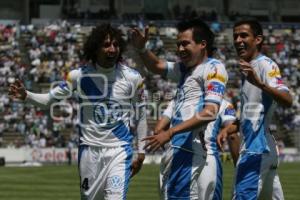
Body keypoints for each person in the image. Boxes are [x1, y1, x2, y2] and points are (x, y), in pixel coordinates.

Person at [9, 23, 147, 200]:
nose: (112, 49)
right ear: (94, 49)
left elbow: (141, 114)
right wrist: (26, 95)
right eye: (106, 45)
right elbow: (48, 101)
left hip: (119, 151)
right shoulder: (78, 76)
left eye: (115, 44)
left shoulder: (132, 78)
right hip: (89, 153)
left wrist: (141, 151)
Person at [131, 18, 228, 199]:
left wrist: (170, 132)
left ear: (202, 44)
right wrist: (142, 49)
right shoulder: (184, 70)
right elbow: (157, 66)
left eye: (185, 44)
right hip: (183, 151)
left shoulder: (213, 67)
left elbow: (211, 111)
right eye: (178, 44)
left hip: (190, 153)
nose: (180, 49)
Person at [232, 19, 292, 200]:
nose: (237, 40)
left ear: (258, 39)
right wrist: (234, 125)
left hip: (256, 150)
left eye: (243, 35)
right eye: (235, 36)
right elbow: (254, 109)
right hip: (260, 148)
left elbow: (287, 99)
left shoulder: (265, 64)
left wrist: (260, 83)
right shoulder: (248, 67)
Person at [159, 98, 238, 200]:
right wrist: (238, 164)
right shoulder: (225, 104)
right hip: (209, 159)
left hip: (179, 155)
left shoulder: (178, 100)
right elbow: (232, 135)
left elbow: (158, 129)